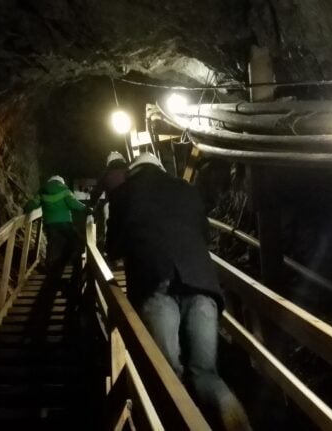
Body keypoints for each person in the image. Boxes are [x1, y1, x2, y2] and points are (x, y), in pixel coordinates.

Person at [107, 153, 251, 431]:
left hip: (156, 282)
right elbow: (203, 235)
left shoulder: (124, 192)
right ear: (160, 168)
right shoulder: (187, 190)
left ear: (133, 171)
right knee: (206, 373)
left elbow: (113, 248)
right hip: (202, 283)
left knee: (167, 372)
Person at [24, 175, 88, 301]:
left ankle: (53, 267)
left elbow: (33, 203)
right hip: (65, 223)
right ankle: (72, 267)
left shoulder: (43, 190)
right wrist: (87, 209)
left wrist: (26, 209)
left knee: (53, 244)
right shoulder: (64, 190)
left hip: (50, 225)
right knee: (75, 244)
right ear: (61, 182)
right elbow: (73, 203)